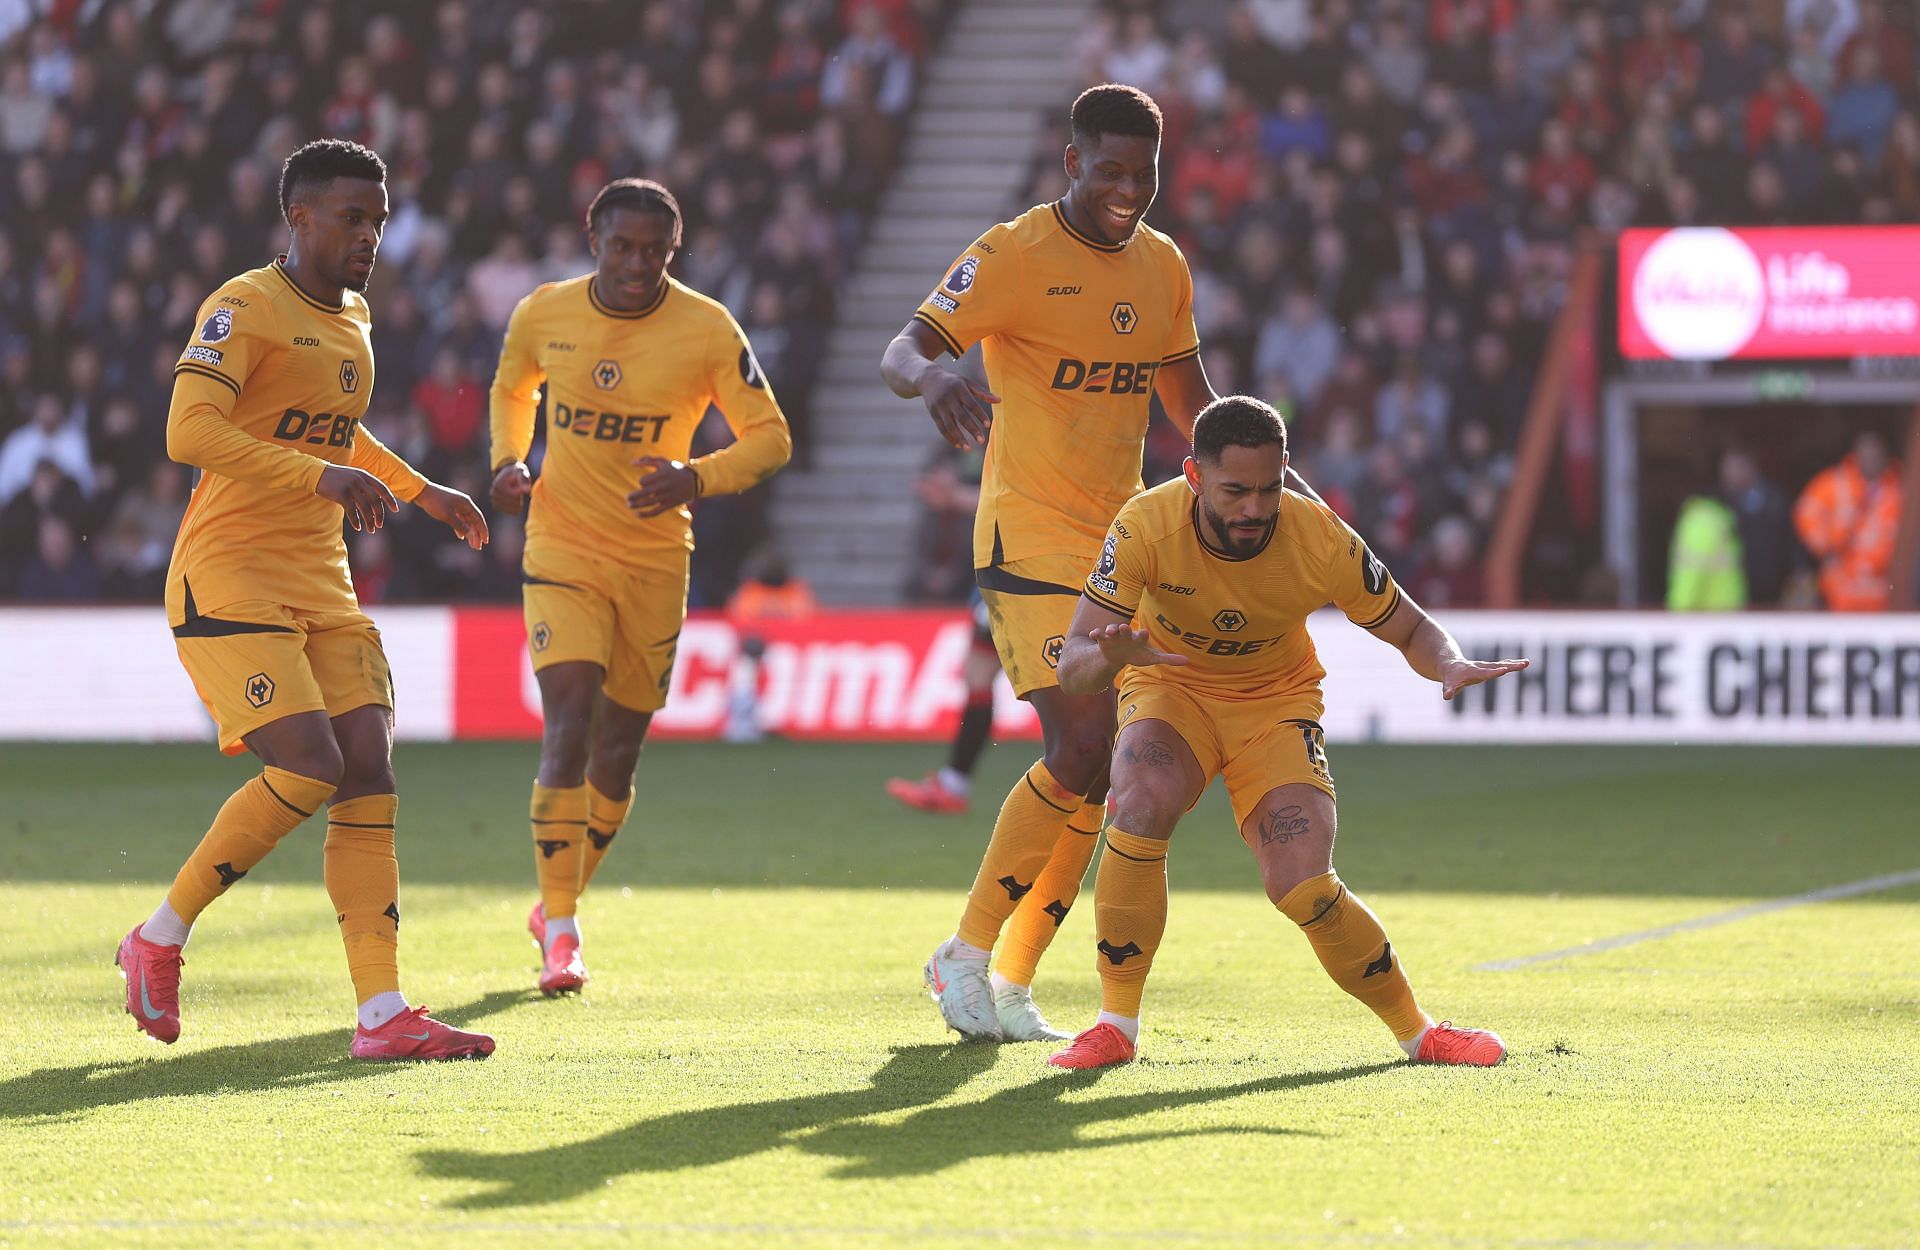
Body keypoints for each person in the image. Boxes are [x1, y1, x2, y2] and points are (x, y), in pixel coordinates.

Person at [115, 140, 495, 1061]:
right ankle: (158, 937)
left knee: (369, 770)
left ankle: (381, 1014)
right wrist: (318, 477)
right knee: (311, 765)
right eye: (351, 217)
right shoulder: (242, 305)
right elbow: (187, 430)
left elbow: (335, 429)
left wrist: (419, 490)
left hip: (321, 579)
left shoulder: (355, 315)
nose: (369, 234)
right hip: (231, 574)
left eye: (379, 219)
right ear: (300, 219)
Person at [880, 84, 1217, 1042]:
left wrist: (1267, 489)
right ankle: (965, 956)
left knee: (1102, 770)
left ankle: (1012, 975)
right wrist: (939, 375)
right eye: (1108, 168)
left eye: (1143, 172)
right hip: (1025, 537)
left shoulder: (1163, 269)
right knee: (1080, 746)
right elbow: (901, 349)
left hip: (1119, 548)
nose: (1127, 188)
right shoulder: (1013, 254)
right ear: (1071, 162)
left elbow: (1193, 408)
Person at [1048, 395, 1523, 1070]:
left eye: (1269, 489)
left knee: (1302, 882)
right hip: (1171, 688)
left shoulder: (1319, 536)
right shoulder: (1142, 527)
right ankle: (1115, 1023)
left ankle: (1421, 1035)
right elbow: (1072, 669)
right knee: (1140, 802)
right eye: (1235, 491)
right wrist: (1113, 656)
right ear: (1193, 476)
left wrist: (1447, 662)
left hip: (1273, 701)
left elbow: (1412, 627)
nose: (1253, 508)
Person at [489, 178, 792, 996]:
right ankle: (562, 931)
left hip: (657, 559)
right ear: (594, 238)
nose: (637, 264)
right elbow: (514, 386)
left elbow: (771, 440)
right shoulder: (542, 314)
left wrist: (695, 478)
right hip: (561, 548)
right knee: (569, 728)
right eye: (622, 246)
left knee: (617, 758)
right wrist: (509, 460)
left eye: (655, 251)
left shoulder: (705, 328)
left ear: (674, 251)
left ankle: (557, 898)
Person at [886, 590, 1002, 814]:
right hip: (1006, 583)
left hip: (1017, 582)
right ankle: (953, 785)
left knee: (1053, 680)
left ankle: (1069, 783)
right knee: (979, 675)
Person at [1793, 429, 1902, 612]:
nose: (1870, 459)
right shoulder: (1835, 482)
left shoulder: (1898, 489)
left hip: (1881, 591)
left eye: (1875, 454)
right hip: (1839, 589)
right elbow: (1805, 513)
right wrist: (1824, 547)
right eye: (1865, 453)